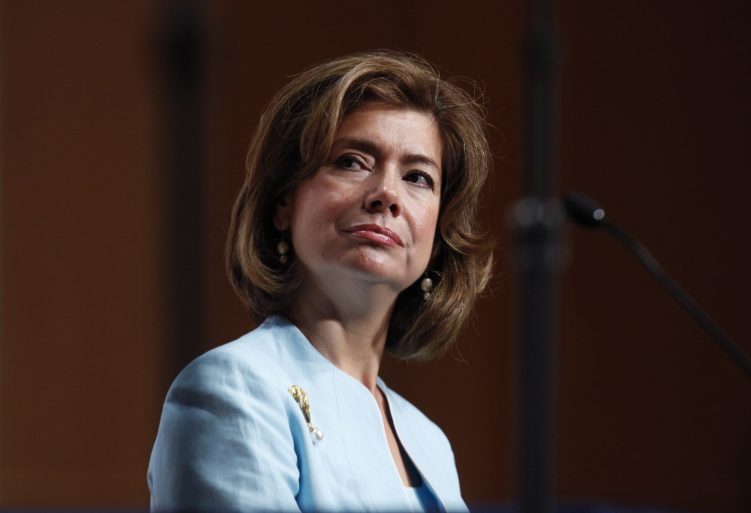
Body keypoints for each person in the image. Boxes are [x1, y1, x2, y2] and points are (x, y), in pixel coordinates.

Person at [148, 50, 493, 512]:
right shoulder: (233, 389)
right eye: (352, 161)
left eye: (418, 177)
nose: (387, 194)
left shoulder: (429, 441)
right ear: (283, 202)